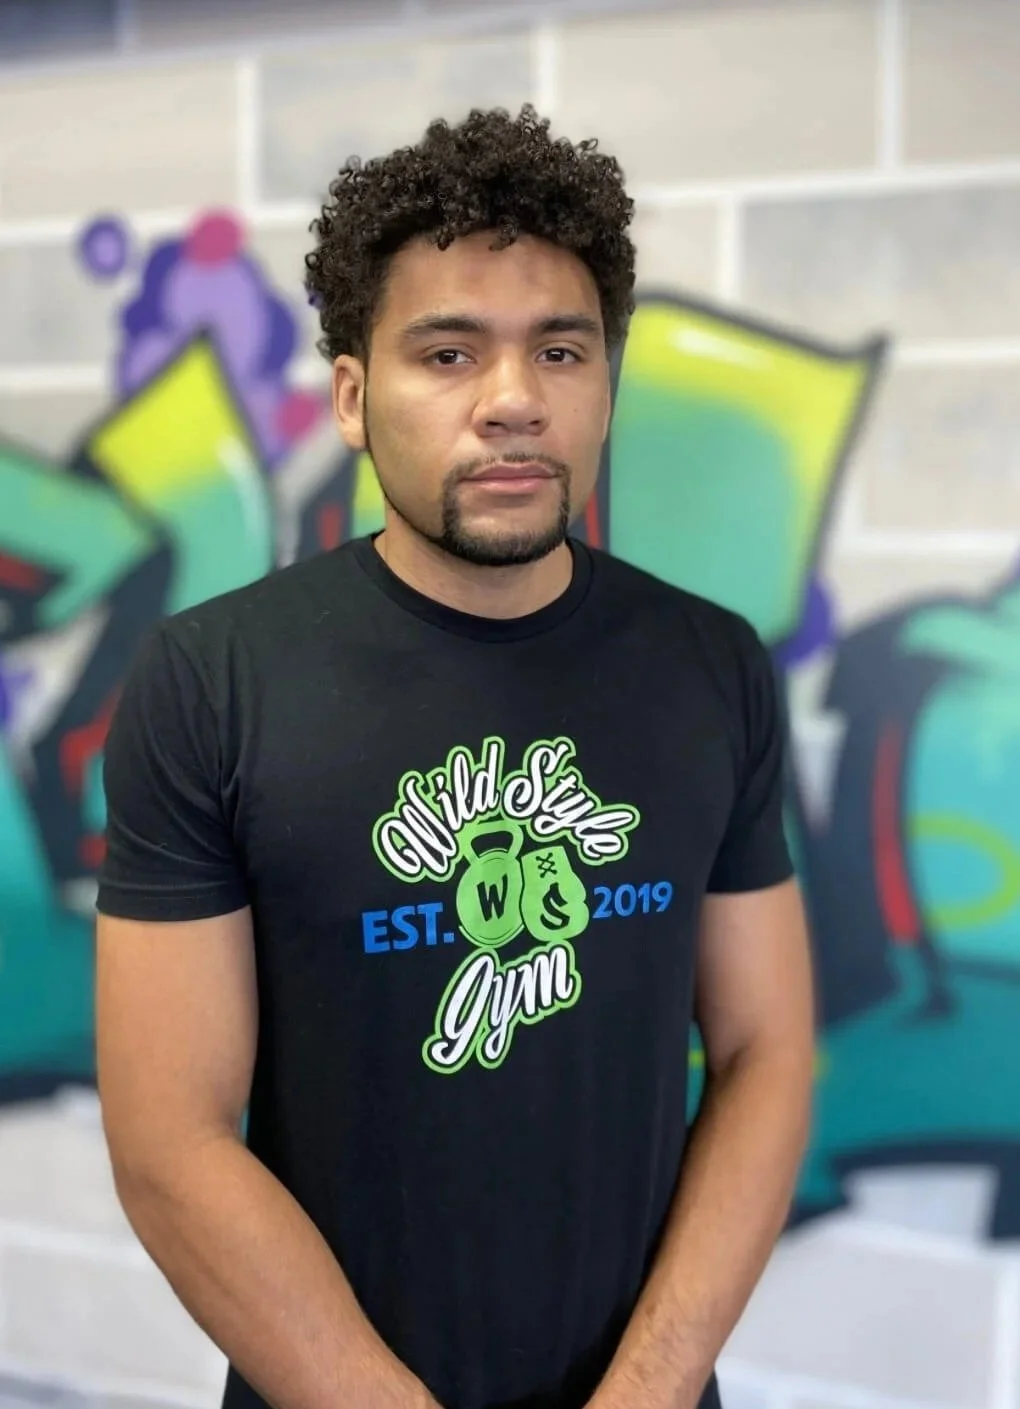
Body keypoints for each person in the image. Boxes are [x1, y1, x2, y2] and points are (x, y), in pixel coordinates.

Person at [95, 104, 815, 1409]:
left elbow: (767, 1049)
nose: (512, 402)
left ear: (605, 383)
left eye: (559, 349)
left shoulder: (712, 669)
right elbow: (169, 1143)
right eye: (448, 352)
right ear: (356, 400)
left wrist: (648, 1391)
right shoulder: (213, 682)